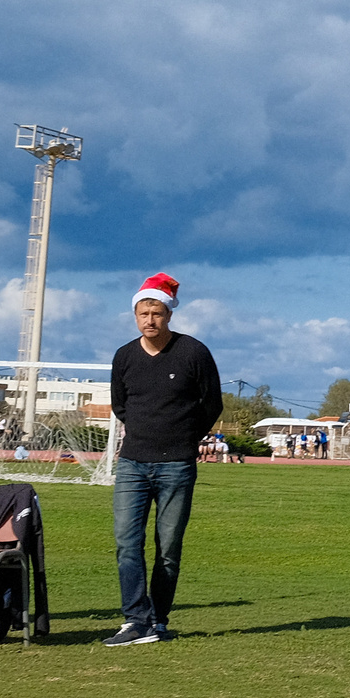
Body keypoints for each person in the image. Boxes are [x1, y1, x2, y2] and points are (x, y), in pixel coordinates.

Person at [106, 273, 222, 647]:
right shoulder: (124, 356)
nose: (150, 320)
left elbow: (212, 404)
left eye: (156, 312)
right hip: (132, 464)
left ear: (168, 313)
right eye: (143, 313)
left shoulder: (194, 353)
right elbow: (120, 404)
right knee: (127, 543)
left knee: (168, 548)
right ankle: (134, 620)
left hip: (177, 465)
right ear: (135, 315)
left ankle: (158, 619)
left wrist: (185, 438)